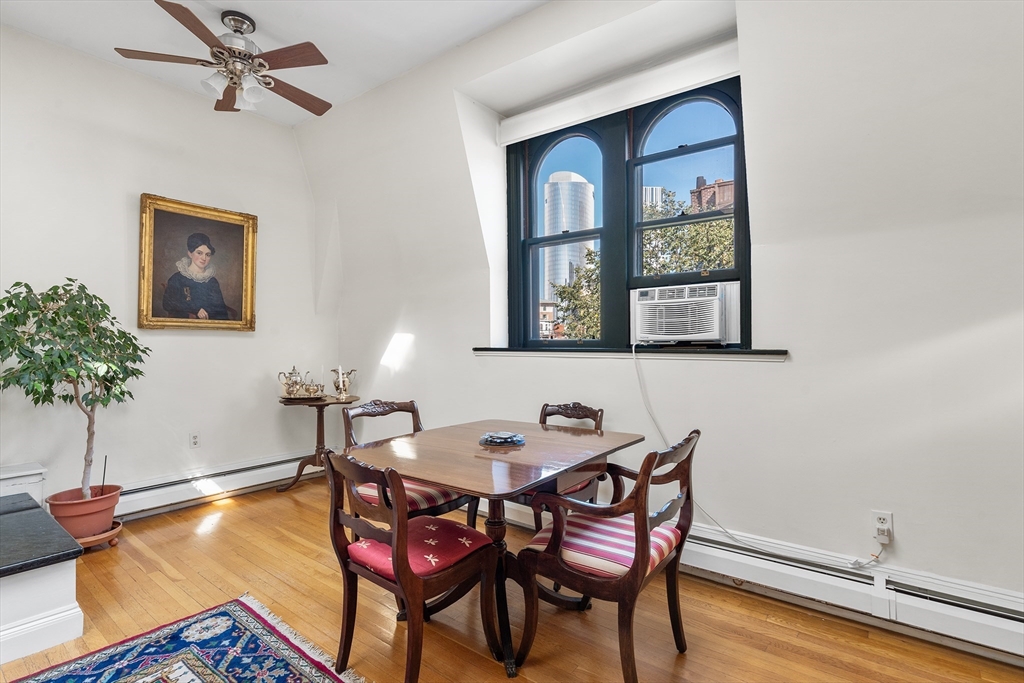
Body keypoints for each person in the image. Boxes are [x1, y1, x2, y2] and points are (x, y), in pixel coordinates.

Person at [162, 232, 229, 320]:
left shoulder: (212, 281)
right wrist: (195, 310)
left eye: (207, 254)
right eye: (199, 253)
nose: (204, 258)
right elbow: (168, 304)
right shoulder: (177, 278)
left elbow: (221, 309)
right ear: (190, 253)